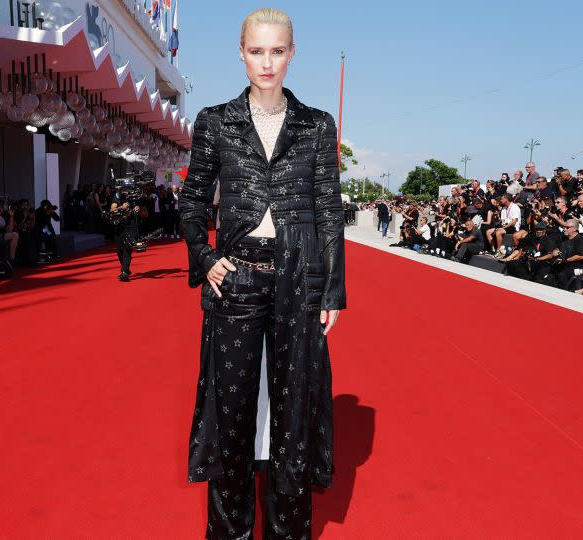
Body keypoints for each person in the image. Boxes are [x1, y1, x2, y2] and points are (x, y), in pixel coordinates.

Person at [178, 8, 345, 538]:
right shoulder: (214, 120)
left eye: (277, 51)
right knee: (232, 418)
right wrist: (206, 260)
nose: (267, 62)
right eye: (257, 51)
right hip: (238, 280)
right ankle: (229, 532)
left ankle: (288, 532)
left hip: (299, 282)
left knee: (293, 418)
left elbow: (329, 210)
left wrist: (331, 291)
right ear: (241, 52)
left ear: (292, 53)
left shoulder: (317, 125)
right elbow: (191, 202)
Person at [109, 188, 140, 281]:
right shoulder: (117, 196)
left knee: (128, 249)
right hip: (119, 226)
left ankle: (124, 272)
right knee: (119, 250)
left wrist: (137, 209)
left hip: (131, 226)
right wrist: (121, 207)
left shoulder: (133, 196)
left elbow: (138, 208)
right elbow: (112, 210)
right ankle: (125, 268)